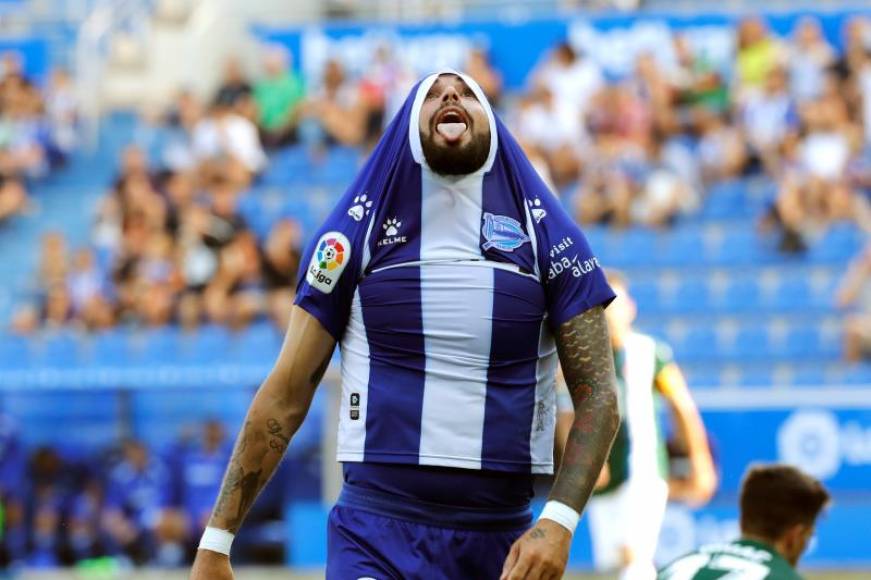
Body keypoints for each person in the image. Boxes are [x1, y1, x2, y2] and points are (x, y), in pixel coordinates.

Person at [191, 71, 620, 580]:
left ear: (493, 125)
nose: (451, 98)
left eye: (466, 94)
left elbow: (599, 398)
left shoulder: (547, 237)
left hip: (501, 544)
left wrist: (559, 521)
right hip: (376, 534)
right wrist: (216, 541)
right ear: (407, 128)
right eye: (433, 95)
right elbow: (286, 392)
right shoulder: (351, 236)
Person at [556, 270, 716, 580]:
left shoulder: (649, 352)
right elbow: (566, 412)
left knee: (634, 557)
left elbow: (681, 405)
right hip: (601, 477)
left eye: (615, 304)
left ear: (630, 308)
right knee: (613, 565)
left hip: (643, 471)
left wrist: (700, 459)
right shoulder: (579, 358)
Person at [658, 464, 830, 580]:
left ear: (742, 521)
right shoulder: (779, 575)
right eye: (809, 535)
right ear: (795, 536)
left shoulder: (678, 565)